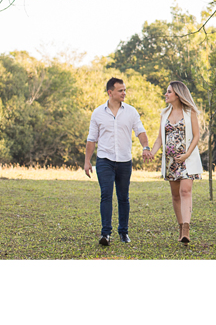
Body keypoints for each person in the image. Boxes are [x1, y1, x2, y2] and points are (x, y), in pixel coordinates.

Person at [83, 77, 153, 246]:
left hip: (124, 161)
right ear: (110, 92)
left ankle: (124, 232)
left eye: (124, 90)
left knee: (123, 197)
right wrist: (87, 162)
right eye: (120, 90)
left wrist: (146, 147)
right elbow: (91, 139)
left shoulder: (131, 112)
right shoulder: (98, 113)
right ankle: (105, 234)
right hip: (104, 160)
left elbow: (140, 131)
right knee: (106, 195)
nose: (124, 93)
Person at [150, 81, 203, 244]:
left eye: (169, 92)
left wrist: (187, 154)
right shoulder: (164, 114)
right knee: (175, 195)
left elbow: (196, 136)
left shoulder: (190, 112)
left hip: (187, 160)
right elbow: (160, 138)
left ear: (178, 95)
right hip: (171, 162)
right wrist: (151, 152)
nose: (166, 94)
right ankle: (180, 227)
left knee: (185, 192)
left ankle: (186, 229)